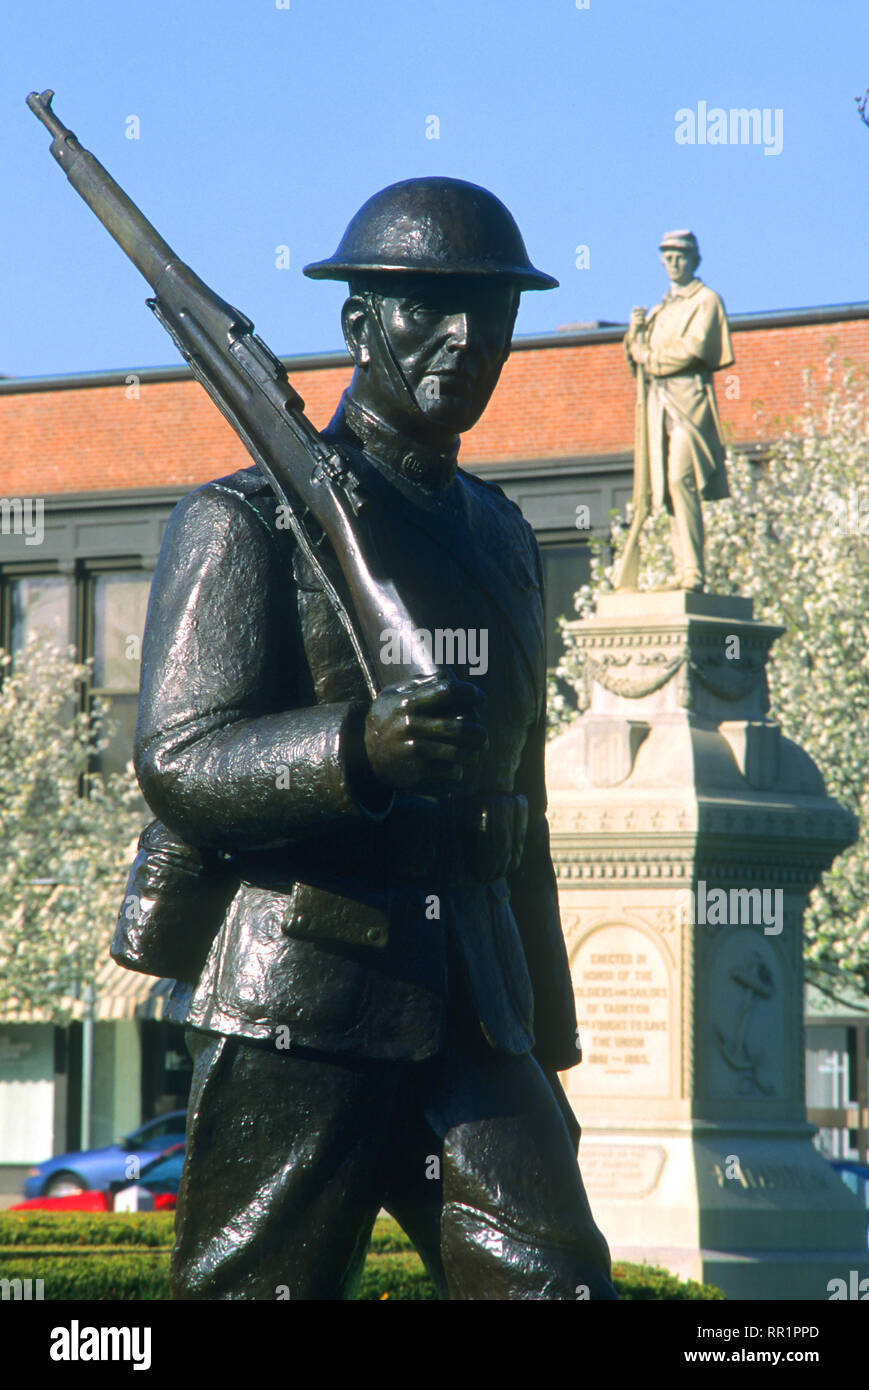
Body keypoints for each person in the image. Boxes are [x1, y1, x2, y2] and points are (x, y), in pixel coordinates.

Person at [134, 176, 615, 1300]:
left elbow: (521, 802)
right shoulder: (242, 519)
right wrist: (357, 748)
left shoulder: (501, 535)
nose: (462, 337)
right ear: (358, 324)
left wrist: (545, 1030)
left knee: (557, 1283)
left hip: (476, 995)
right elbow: (182, 757)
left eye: (486, 313)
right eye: (425, 308)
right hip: (305, 985)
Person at [619, 230, 733, 592]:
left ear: (695, 259)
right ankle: (682, 568)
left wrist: (647, 356)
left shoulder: (707, 300)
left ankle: (694, 571)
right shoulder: (661, 308)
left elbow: (695, 349)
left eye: (680, 255)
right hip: (658, 406)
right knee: (664, 490)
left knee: (680, 479)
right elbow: (637, 363)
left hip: (689, 405)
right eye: (667, 256)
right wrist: (634, 336)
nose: (673, 262)